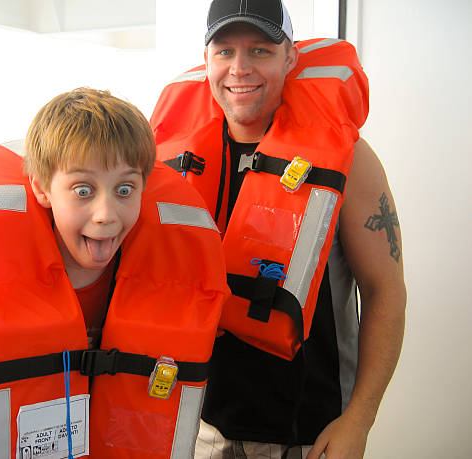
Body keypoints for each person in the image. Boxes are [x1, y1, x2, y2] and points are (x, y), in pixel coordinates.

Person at [151, 1, 406, 458]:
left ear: (290, 58)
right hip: (202, 431)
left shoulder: (349, 161)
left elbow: (385, 289)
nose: (240, 68)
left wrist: (359, 422)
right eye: (225, 51)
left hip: (312, 434)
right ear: (206, 59)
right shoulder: (172, 162)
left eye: (261, 51)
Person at [0, 87, 229, 458]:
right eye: (83, 190)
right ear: (41, 188)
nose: (106, 213)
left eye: (124, 189)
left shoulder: (166, 281)